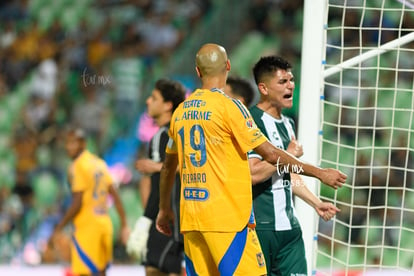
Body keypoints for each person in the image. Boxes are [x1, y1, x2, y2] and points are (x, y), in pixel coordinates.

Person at [155, 43, 347, 276]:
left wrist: (164, 209)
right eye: (283, 82)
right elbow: (272, 156)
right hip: (228, 221)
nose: (290, 86)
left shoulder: (180, 113)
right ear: (228, 66)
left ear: (197, 71)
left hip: (193, 221)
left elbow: (167, 168)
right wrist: (319, 172)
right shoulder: (232, 108)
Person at [248, 55, 341, 275]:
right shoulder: (251, 120)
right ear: (264, 88)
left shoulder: (288, 123)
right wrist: (289, 154)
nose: (290, 86)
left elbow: (290, 174)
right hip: (261, 228)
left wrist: (315, 203)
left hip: (290, 229)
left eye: (291, 80)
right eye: (282, 82)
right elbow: (253, 174)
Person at [48, 127, 130, 276]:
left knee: (85, 272)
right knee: (101, 272)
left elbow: (77, 203)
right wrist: (123, 223)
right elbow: (115, 195)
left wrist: (59, 228)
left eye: (73, 143)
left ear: (83, 144)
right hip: (104, 223)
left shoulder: (77, 166)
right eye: (67, 143)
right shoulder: (99, 163)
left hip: (87, 228)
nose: (69, 147)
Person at [127, 79, 186, 276]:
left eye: (154, 98)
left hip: (168, 219)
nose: (147, 101)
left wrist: (146, 220)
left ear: (168, 105)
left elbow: (166, 179)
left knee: (153, 269)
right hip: (180, 219)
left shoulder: (163, 135)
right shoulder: (178, 132)